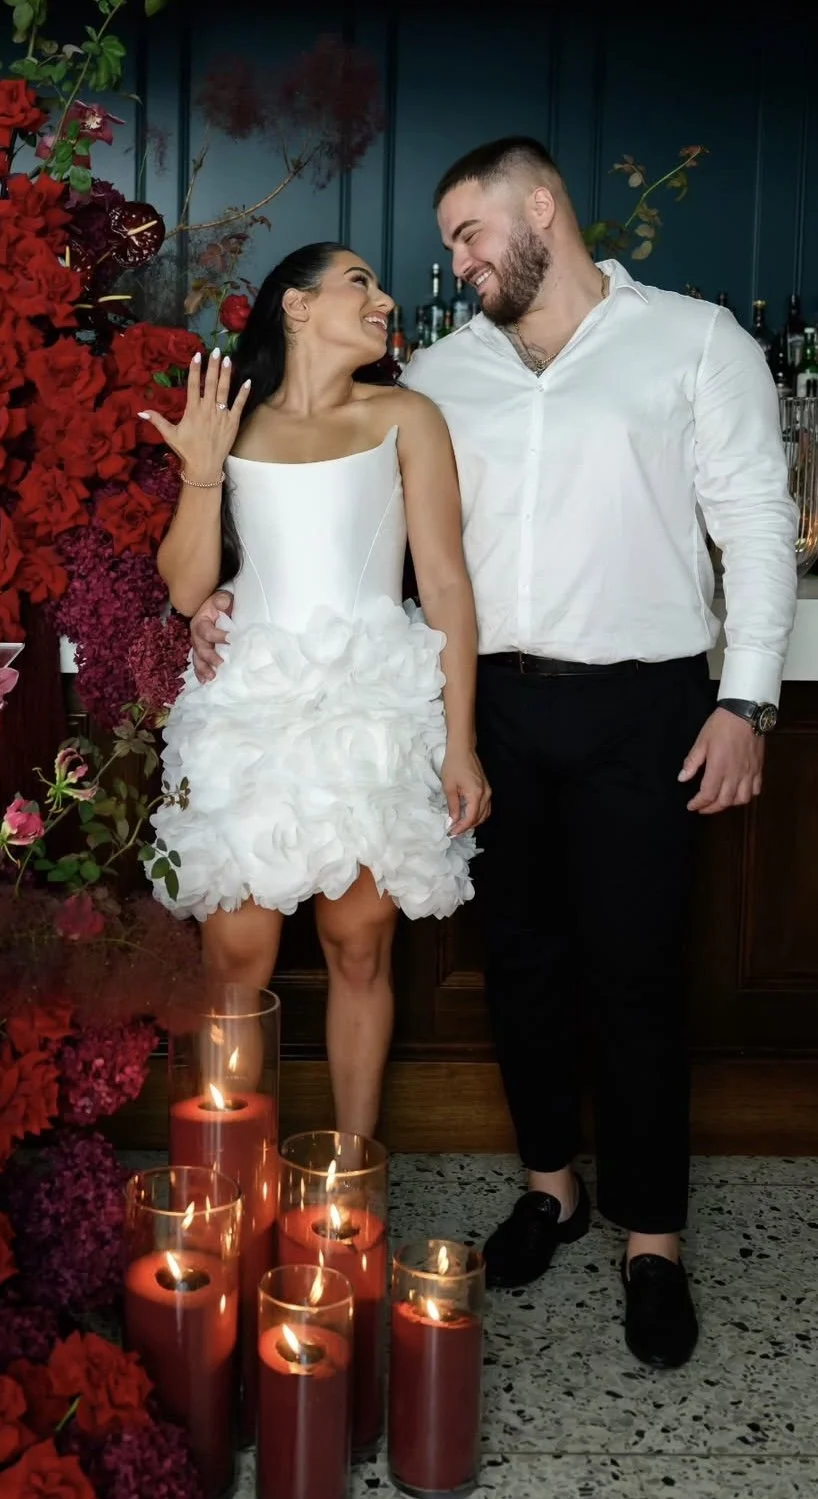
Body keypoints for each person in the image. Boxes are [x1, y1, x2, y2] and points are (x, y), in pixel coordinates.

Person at [192, 141, 799, 1370]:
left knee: (636, 967)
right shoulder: (444, 373)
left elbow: (757, 518)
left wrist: (746, 700)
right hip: (486, 707)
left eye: (470, 235)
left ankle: (654, 1241)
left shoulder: (694, 340)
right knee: (519, 959)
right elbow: (364, 522)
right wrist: (222, 592)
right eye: (450, 247)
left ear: (541, 207)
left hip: (646, 701)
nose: (457, 264)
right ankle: (549, 1188)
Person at [141, 242, 490, 1142]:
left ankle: (351, 1183)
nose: (384, 298)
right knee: (236, 954)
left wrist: (460, 742)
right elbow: (186, 591)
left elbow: (445, 584)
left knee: (359, 943)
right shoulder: (235, 423)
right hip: (247, 707)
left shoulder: (407, 415)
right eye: (360, 282)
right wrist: (203, 467)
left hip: (371, 708)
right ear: (294, 308)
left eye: (380, 284)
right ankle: (227, 1183)